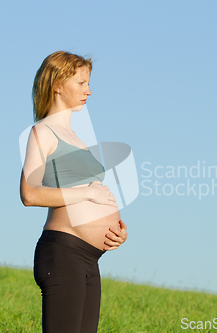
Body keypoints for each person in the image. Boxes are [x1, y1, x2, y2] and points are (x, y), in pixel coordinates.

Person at [19, 51, 128, 333]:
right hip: (63, 253)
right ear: (57, 84)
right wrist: (85, 195)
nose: (88, 91)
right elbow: (29, 194)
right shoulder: (42, 132)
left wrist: (116, 232)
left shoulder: (76, 138)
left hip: (89, 259)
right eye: (81, 83)